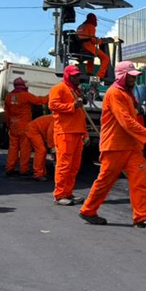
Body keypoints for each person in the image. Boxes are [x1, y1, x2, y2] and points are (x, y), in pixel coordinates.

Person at [79, 61, 146, 228]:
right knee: (105, 181)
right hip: (114, 147)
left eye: (135, 76)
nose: (134, 80)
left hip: (132, 147)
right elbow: (125, 121)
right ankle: (88, 210)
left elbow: (132, 119)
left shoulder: (128, 94)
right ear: (121, 76)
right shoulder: (115, 93)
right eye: (130, 76)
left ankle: (141, 218)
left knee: (140, 182)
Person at [49, 66, 89, 206]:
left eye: (78, 75)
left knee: (74, 166)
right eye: (74, 76)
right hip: (65, 132)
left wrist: (85, 133)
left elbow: (81, 115)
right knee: (64, 165)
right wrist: (72, 106)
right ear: (67, 76)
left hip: (76, 132)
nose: (77, 78)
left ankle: (68, 192)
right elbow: (52, 105)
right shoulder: (59, 88)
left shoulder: (76, 90)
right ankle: (59, 195)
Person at [4, 78, 48, 176]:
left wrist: (8, 125)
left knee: (13, 148)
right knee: (25, 148)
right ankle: (23, 169)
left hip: (13, 126)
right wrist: (51, 95)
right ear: (23, 85)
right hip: (24, 126)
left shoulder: (8, 97)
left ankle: (9, 168)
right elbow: (40, 101)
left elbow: (6, 114)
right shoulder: (26, 95)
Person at [77, 13, 111, 80]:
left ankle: (89, 72)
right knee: (105, 58)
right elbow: (92, 40)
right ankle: (100, 76)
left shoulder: (80, 26)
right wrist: (100, 41)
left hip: (79, 47)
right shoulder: (91, 26)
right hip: (87, 46)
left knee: (91, 55)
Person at [25, 114, 55, 181]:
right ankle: (38, 174)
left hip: (35, 129)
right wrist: (52, 147)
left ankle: (42, 172)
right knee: (41, 150)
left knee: (42, 151)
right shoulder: (57, 119)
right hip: (33, 130)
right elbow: (50, 133)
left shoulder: (57, 117)